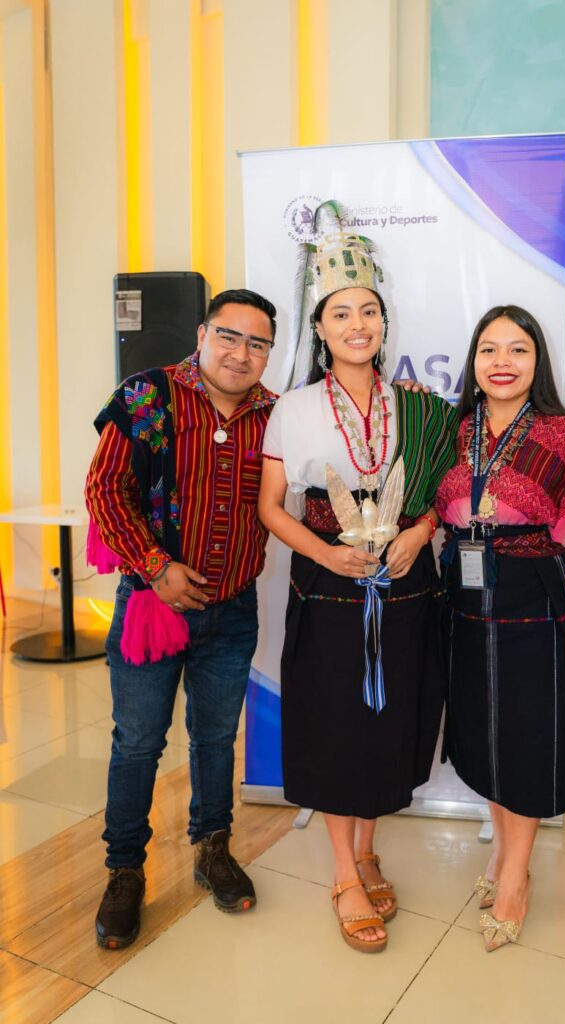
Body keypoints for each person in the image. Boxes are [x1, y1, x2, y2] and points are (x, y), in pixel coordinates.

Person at [258, 201, 459, 953]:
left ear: (383, 321)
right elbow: (271, 508)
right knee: (337, 727)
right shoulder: (294, 408)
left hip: (405, 585)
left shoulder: (419, 407)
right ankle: (344, 872)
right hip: (330, 587)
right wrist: (325, 555)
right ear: (319, 327)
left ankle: (368, 849)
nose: (357, 324)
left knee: (388, 722)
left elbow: (439, 496)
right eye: (340, 313)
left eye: (368, 311)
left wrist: (419, 532)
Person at [85, 288, 278, 949]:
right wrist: (155, 566)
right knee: (138, 742)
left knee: (215, 739)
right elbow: (105, 490)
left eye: (257, 343)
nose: (241, 353)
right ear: (202, 334)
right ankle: (124, 871)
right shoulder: (148, 396)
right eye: (229, 336)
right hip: (151, 608)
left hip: (233, 611)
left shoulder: (274, 416)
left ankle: (211, 848)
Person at [435, 304, 565, 952]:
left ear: (538, 360)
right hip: (463, 591)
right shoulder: (456, 429)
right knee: (483, 728)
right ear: (473, 361)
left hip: (533, 590)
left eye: (517, 349)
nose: (501, 362)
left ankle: (515, 875)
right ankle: (501, 847)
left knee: (527, 734)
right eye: (489, 349)